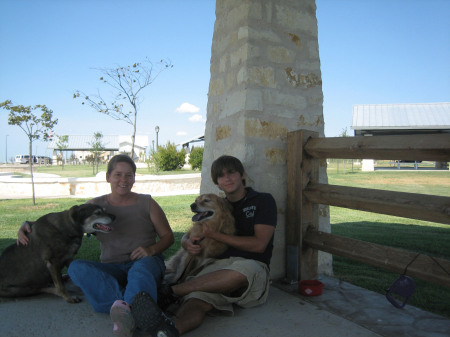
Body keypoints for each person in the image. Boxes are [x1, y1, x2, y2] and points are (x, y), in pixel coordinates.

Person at [17, 154, 175, 337]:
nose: (123, 180)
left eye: (129, 175)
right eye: (118, 174)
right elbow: (64, 221)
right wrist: (29, 225)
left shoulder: (147, 203)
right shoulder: (95, 205)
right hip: (110, 268)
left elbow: (168, 237)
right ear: (108, 177)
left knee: (141, 270)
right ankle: (139, 304)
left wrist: (151, 250)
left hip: (145, 262)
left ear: (134, 178)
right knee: (76, 268)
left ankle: (125, 312)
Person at [130, 155, 277, 337]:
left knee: (242, 270)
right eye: (221, 176)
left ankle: (170, 292)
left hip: (251, 266)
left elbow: (259, 245)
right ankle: (167, 330)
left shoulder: (262, 200)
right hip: (214, 269)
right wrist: (185, 242)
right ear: (217, 183)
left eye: (231, 172)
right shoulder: (217, 204)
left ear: (242, 175)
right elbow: (193, 232)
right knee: (197, 302)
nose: (227, 178)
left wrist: (214, 235)